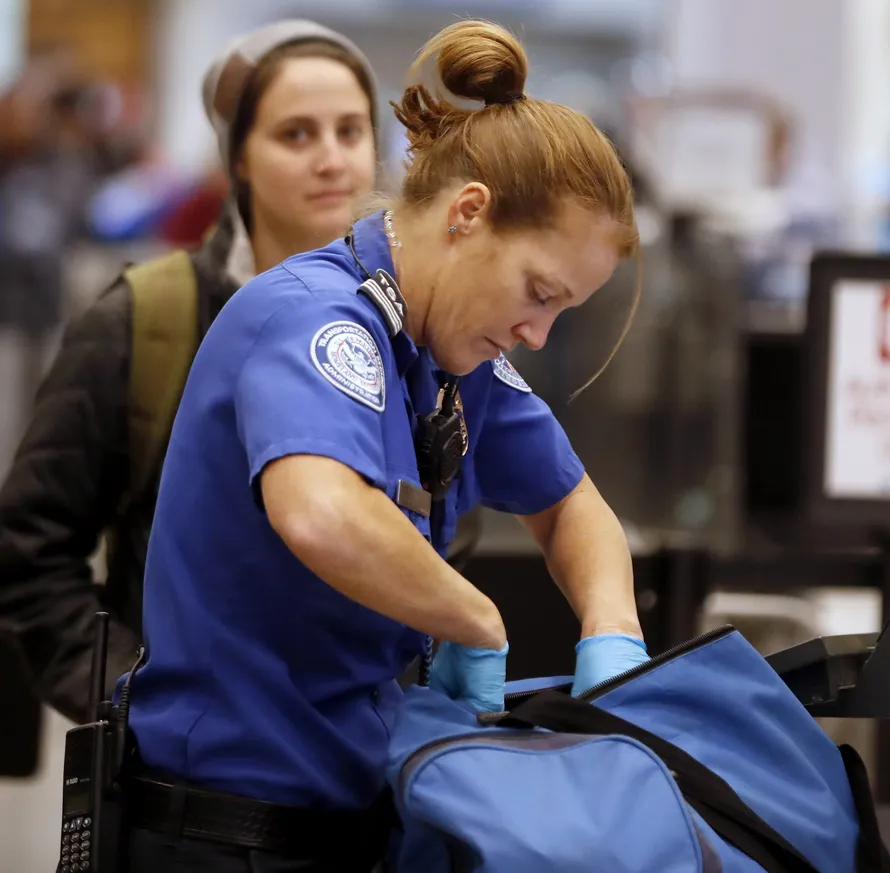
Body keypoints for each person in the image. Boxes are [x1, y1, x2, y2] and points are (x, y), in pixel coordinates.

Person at [120, 18, 649, 873]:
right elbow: (322, 514)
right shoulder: (309, 319)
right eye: (538, 292)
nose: (540, 333)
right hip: (226, 834)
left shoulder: (449, 354)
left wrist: (613, 639)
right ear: (468, 214)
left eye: (563, 311)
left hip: (355, 817)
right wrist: (474, 620)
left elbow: (571, 505)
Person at [0, 19, 383, 725]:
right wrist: (135, 700)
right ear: (238, 157)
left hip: (358, 770)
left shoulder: (408, 329)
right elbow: (30, 551)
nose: (332, 160)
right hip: (181, 796)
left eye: (351, 132)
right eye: (296, 134)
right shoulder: (149, 319)